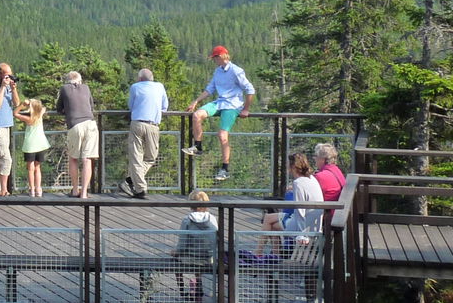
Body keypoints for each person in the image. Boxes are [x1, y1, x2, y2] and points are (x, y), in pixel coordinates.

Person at [183, 46, 256, 182]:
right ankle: (198, 146)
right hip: (220, 102)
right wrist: (195, 101)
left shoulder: (236, 71)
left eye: (215, 58)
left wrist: (246, 109)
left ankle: (225, 168)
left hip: (232, 105)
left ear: (222, 56)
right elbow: (210, 89)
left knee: (222, 135)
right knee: (197, 115)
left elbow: (250, 89)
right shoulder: (218, 71)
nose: (214, 60)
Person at [118, 67, 168, 199]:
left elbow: (131, 105)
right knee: (151, 157)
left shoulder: (135, 87)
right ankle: (140, 188)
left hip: (137, 124)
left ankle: (130, 181)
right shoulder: (160, 87)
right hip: (153, 125)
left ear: (140, 79)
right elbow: (165, 106)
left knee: (136, 157)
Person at [55, 70, 97, 198]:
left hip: (75, 125)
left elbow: (58, 108)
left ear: (68, 81)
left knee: (73, 158)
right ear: (80, 80)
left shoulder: (64, 89)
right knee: (87, 159)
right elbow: (91, 106)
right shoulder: (86, 88)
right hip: (90, 124)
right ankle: (84, 193)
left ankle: (74, 190)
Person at [173, 189, 218, 303]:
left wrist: (175, 252)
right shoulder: (212, 219)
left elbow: (182, 244)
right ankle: (198, 285)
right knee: (199, 262)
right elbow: (217, 238)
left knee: (176, 263)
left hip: (190, 258)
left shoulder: (187, 220)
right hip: (208, 258)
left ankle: (183, 292)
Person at [263, 153, 324, 235]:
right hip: (312, 222)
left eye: (288, 164)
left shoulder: (298, 183)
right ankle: (271, 248)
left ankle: (262, 248)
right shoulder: (311, 178)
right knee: (268, 218)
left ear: (293, 166)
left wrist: (301, 235)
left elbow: (300, 209)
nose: (286, 166)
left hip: (302, 226)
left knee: (272, 225)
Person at [0, 63, 21, 196]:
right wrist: (2, 87)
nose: (9, 77)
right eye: (6, 75)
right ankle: (4, 189)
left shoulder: (7, 86)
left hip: (6, 125)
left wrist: (13, 89)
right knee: (6, 159)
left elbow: (17, 103)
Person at [14, 98, 50, 197]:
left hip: (30, 145)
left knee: (30, 168)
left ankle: (32, 189)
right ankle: (39, 189)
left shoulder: (29, 119)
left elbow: (15, 113)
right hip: (40, 144)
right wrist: (34, 104)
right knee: (37, 167)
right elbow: (43, 108)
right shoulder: (40, 116)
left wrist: (22, 105)